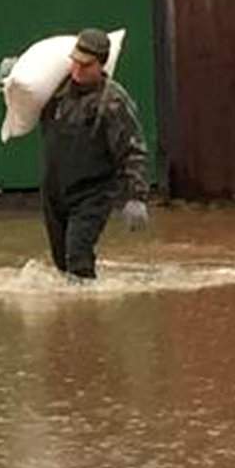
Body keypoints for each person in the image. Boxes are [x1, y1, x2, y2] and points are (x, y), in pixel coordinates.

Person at [38, 27, 149, 280]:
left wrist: (136, 197)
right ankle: (69, 316)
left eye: (86, 65)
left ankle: (87, 316)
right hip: (55, 190)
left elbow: (133, 150)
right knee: (61, 263)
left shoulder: (113, 102)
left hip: (92, 193)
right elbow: (29, 103)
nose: (78, 69)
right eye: (75, 62)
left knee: (77, 258)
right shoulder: (56, 90)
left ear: (100, 65)